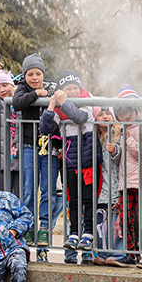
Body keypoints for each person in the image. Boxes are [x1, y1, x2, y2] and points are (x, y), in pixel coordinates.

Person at [39, 70, 99, 253]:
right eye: (68, 88)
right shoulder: (59, 107)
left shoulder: (86, 100)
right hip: (69, 160)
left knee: (88, 198)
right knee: (73, 199)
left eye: (75, 88)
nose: (73, 91)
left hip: (88, 160)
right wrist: (51, 106)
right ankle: (74, 233)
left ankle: (88, 233)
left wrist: (64, 102)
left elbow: (80, 117)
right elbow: (46, 127)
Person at [13, 53, 62, 256]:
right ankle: (29, 225)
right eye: (30, 74)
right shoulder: (23, 89)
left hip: (49, 146)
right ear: (25, 75)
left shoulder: (51, 87)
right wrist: (36, 94)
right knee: (28, 189)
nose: (34, 78)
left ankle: (44, 227)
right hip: (28, 145)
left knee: (48, 189)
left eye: (38, 74)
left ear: (43, 74)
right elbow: (17, 103)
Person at [115, 103, 142, 268]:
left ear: (135, 111)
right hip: (126, 182)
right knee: (126, 219)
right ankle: (131, 254)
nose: (125, 115)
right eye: (121, 112)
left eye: (128, 111)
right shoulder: (122, 131)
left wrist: (128, 140)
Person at [91, 106, 127, 266]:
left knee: (117, 222)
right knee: (102, 223)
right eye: (101, 114)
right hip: (101, 186)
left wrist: (115, 151)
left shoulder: (118, 134)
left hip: (116, 185)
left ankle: (118, 254)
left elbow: (120, 157)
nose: (105, 117)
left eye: (108, 114)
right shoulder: (94, 137)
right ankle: (102, 253)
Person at [0, 65, 21, 196]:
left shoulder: (21, 100)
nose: (2, 90)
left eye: (5, 85)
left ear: (12, 84)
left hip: (18, 156)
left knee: (19, 196)